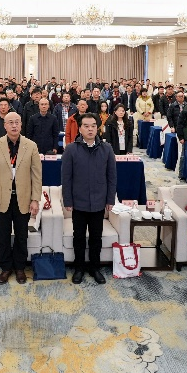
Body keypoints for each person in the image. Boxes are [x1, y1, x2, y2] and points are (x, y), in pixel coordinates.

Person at [0, 112, 42, 285]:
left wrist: (35, 199)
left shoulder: (31, 146)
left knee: (21, 236)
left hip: (23, 198)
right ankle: (5, 267)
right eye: (10, 122)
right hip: (2, 198)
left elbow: (37, 176)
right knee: (2, 236)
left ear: (21, 124)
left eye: (17, 122)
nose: (14, 125)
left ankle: (19, 268)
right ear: (5, 125)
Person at [61, 113, 117, 285]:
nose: (90, 129)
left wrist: (110, 199)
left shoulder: (106, 148)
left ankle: (94, 268)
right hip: (78, 202)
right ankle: (79, 268)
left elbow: (112, 177)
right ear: (80, 128)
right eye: (86, 126)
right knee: (78, 237)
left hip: (99, 202)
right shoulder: (71, 149)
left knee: (96, 238)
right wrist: (68, 201)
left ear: (97, 128)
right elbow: (66, 178)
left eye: (93, 126)